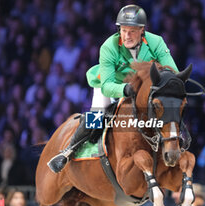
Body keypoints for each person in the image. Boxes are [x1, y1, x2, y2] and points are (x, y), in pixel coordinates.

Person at [48, 4, 179, 173]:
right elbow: (107, 86)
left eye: (132, 30)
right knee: (98, 114)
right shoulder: (109, 47)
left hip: (143, 88)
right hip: (111, 85)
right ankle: (68, 151)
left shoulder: (156, 42)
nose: (127, 35)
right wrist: (126, 89)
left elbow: (171, 71)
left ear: (142, 30)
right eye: (123, 30)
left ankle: (175, 138)